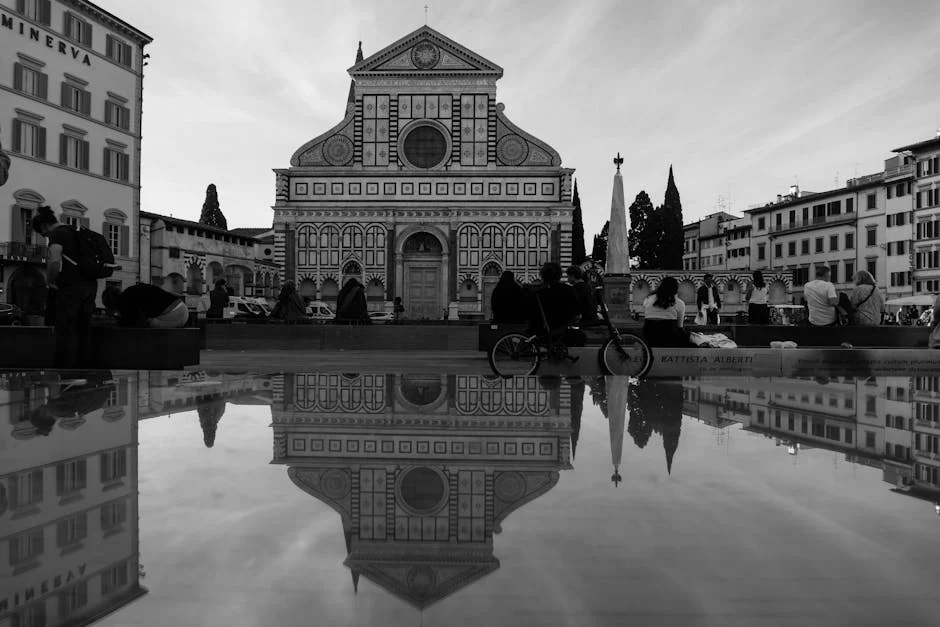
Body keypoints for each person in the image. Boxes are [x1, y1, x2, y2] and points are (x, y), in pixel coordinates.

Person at [31, 206, 96, 368]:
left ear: (44, 226)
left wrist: (50, 280)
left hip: (70, 289)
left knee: (65, 331)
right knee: (84, 330)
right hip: (89, 286)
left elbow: (54, 260)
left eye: (42, 233)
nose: (44, 236)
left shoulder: (57, 234)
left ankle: (65, 371)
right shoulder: (74, 231)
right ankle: (84, 370)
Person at [101, 278, 189, 328]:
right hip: (182, 309)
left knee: (149, 324)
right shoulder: (130, 291)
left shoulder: (126, 301)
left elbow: (129, 323)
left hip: (175, 313)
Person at [525, 262, 580, 339]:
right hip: (563, 329)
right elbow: (576, 311)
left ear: (543, 275)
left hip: (542, 329)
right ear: (559, 275)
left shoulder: (538, 291)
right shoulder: (569, 290)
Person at [642, 276, 690, 347]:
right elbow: (680, 326)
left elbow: (646, 312)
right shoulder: (679, 303)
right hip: (670, 337)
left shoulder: (648, 299)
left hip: (649, 335)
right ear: (675, 289)